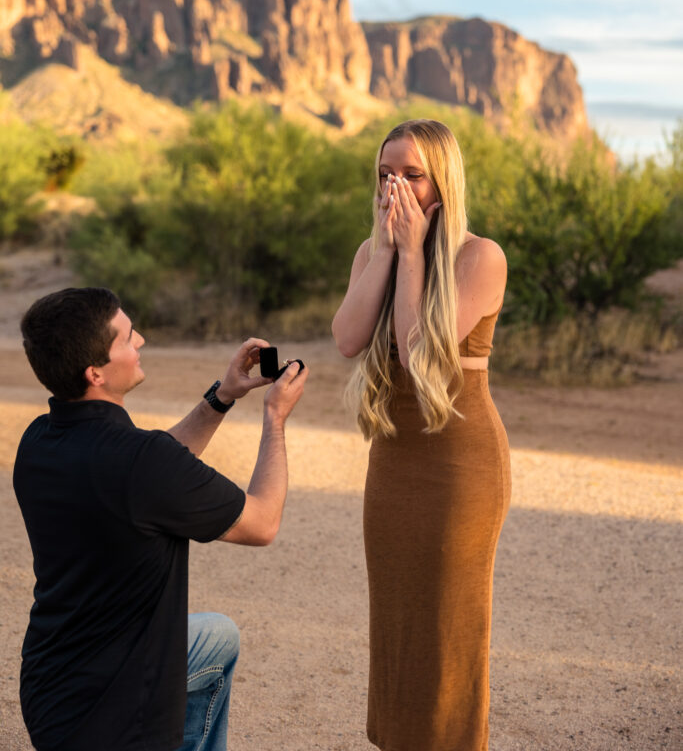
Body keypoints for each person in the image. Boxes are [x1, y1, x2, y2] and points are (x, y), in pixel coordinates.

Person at [13, 286, 308, 751]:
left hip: (52, 693)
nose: (143, 340)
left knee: (218, 636)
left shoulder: (38, 441)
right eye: (128, 338)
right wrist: (275, 420)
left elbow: (154, 469)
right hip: (113, 720)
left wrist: (222, 397)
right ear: (96, 373)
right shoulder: (141, 463)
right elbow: (263, 522)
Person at [332, 118, 510, 751]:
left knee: (450, 627)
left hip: (459, 464)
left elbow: (416, 355)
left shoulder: (480, 257)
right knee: (399, 623)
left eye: (412, 175)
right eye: (386, 175)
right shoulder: (371, 251)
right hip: (395, 456)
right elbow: (350, 338)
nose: (396, 189)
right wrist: (384, 251)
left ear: (444, 181)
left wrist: (410, 254)